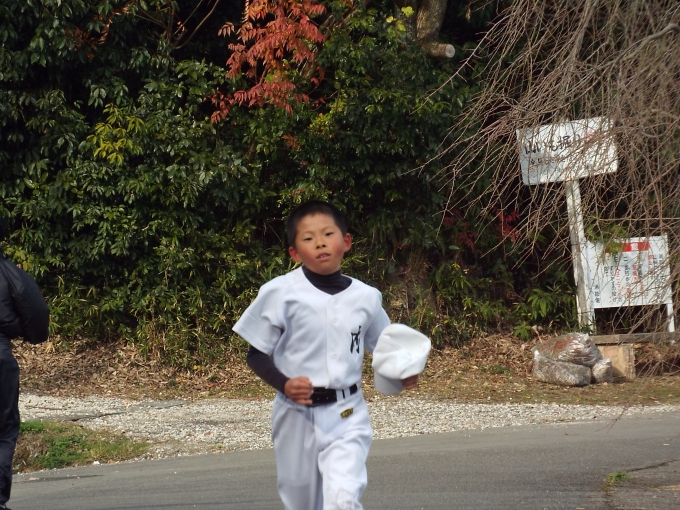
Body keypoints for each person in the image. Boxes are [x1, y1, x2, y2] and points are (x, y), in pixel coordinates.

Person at [233, 200, 419, 510]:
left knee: (342, 497)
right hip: (295, 413)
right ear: (295, 253)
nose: (320, 242)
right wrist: (284, 384)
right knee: (301, 500)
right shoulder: (280, 292)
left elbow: (386, 348)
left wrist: (404, 371)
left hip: (347, 411)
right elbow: (256, 354)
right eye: (308, 238)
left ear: (346, 241)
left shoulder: (366, 297)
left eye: (328, 234)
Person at [0, 217, 50, 510]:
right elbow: (36, 312)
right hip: (0, 356)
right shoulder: (9, 273)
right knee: (4, 429)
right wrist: (23, 330)